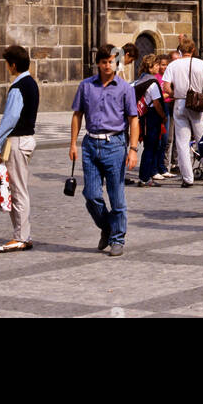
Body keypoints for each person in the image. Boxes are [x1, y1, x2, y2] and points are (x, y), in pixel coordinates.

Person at [70, 44, 140, 255]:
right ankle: (107, 227)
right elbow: (77, 115)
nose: (107, 65)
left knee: (116, 196)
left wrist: (133, 149)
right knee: (91, 195)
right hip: (91, 144)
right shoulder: (86, 86)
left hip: (115, 145)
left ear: (116, 63)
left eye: (111, 61)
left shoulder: (125, 88)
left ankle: (118, 238)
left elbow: (133, 119)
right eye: (103, 62)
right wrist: (73, 143)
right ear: (98, 64)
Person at [0, 44, 40, 252]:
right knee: (18, 187)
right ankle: (22, 234)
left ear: (12, 65)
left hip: (18, 140)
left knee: (18, 188)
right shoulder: (31, 83)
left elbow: (10, 118)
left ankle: (21, 236)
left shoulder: (18, 86)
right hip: (26, 139)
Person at [162, 38, 203, 186]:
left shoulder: (173, 65)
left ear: (180, 50)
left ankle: (187, 178)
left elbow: (166, 87)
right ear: (193, 50)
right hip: (197, 104)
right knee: (202, 139)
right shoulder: (201, 64)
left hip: (180, 102)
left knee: (182, 142)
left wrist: (176, 94)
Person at [133, 54, 168, 186]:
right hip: (152, 117)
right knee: (151, 147)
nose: (159, 67)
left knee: (150, 147)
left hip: (144, 117)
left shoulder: (141, 79)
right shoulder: (152, 82)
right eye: (157, 65)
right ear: (150, 66)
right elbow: (157, 103)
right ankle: (144, 177)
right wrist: (163, 116)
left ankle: (146, 175)